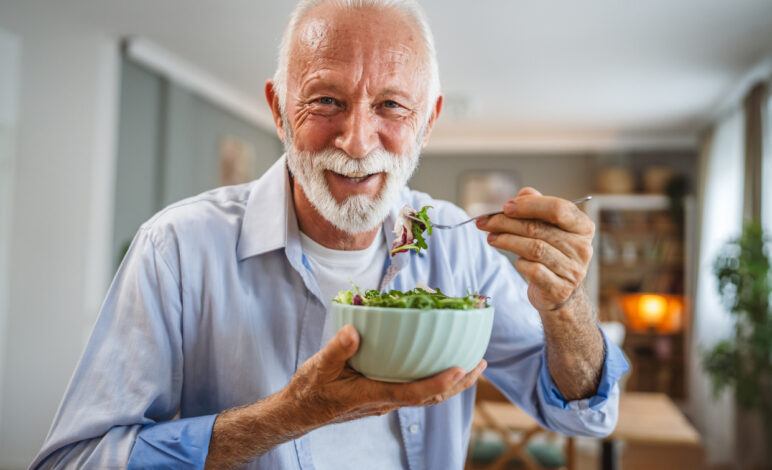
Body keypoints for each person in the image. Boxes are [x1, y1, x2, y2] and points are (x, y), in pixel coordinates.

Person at [31, 0, 629, 469]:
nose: (357, 141)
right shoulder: (178, 249)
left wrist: (565, 304)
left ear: (428, 122)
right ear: (279, 108)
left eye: (392, 106)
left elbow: (582, 416)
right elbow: (74, 461)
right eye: (325, 100)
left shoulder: (456, 242)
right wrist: (290, 415)